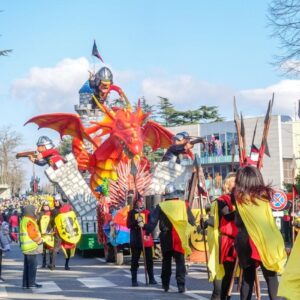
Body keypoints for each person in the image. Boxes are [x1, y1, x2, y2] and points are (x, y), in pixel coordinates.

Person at [233, 166, 287, 300]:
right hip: (266, 240)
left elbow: (237, 221)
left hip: (245, 240)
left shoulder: (238, 197)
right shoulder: (264, 197)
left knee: (247, 278)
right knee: (271, 277)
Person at [146, 183, 196, 293]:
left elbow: (153, 222)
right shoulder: (184, 205)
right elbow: (192, 221)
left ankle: (165, 284)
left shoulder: (161, 206)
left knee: (166, 261)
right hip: (179, 236)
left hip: (166, 237)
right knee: (180, 262)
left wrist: (146, 230)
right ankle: (181, 286)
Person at [209, 172, 237, 300]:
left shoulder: (240, 200)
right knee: (224, 272)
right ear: (227, 184)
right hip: (224, 240)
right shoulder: (221, 200)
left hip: (236, 239)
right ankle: (219, 297)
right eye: (234, 181)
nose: (237, 184)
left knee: (232, 275)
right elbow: (227, 215)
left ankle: (226, 297)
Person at [127, 195, 157, 287]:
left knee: (149, 260)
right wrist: (136, 223)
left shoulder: (147, 212)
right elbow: (128, 225)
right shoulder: (131, 213)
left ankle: (151, 278)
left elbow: (152, 225)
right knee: (134, 260)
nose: (140, 203)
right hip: (136, 240)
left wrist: (144, 225)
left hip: (146, 240)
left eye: (141, 201)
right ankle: (134, 280)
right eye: (138, 201)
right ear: (135, 202)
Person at [52, 194, 81, 270]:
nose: (56, 202)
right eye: (55, 201)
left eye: (57, 201)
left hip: (67, 231)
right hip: (58, 232)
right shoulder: (54, 210)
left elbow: (73, 217)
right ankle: (53, 265)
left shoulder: (68, 208)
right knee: (56, 248)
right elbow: (52, 221)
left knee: (68, 247)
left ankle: (66, 264)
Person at [20, 205, 43, 289]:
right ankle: (31, 283)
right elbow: (32, 234)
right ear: (30, 211)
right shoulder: (29, 221)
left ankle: (26, 283)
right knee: (32, 266)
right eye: (34, 210)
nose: (35, 212)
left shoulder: (24, 219)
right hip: (31, 247)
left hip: (26, 247)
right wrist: (40, 241)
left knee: (27, 266)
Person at [38, 200, 55, 269]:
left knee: (51, 249)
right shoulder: (40, 213)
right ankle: (44, 263)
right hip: (42, 234)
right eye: (44, 206)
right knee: (43, 250)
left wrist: (53, 230)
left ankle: (51, 263)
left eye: (47, 205)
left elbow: (54, 223)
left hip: (50, 234)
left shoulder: (52, 213)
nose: (46, 207)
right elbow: (38, 223)